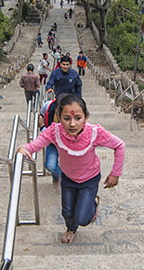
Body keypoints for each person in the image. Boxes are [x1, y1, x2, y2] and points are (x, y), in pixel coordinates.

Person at [17, 94, 126, 244]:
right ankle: (71, 229)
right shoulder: (54, 131)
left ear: (86, 117)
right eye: (67, 118)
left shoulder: (95, 133)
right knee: (67, 212)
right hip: (68, 178)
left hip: (90, 179)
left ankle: (93, 202)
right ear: (58, 117)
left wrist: (115, 173)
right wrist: (24, 148)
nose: (72, 124)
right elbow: (36, 144)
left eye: (78, 118)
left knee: (83, 218)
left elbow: (119, 145)